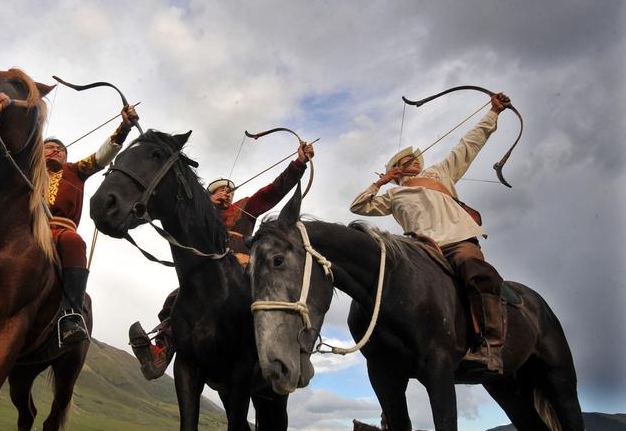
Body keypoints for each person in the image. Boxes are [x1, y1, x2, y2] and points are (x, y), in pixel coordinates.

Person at [0, 104, 139, 348]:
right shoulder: (26, 171)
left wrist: (124, 127)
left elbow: (101, 156)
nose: (56, 152)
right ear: (39, 152)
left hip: (58, 230)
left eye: (61, 150)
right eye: (50, 147)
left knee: (74, 242)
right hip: (20, 230)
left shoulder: (76, 170)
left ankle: (71, 315)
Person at [349, 93, 510, 373]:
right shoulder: (393, 194)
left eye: (413, 158)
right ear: (395, 172)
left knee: (476, 269)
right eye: (403, 161)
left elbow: (468, 144)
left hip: (457, 241)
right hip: (422, 248)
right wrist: (382, 182)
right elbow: (359, 206)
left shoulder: (440, 173)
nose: (411, 159)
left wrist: (493, 112)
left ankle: (490, 347)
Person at [129, 141, 316, 379]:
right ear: (207, 195)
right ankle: (161, 352)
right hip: (208, 279)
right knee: (176, 298)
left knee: (274, 301)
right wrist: (207, 208)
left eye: (229, 192)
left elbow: (272, 191)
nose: (226, 194)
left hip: (245, 274)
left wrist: (299, 163)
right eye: (219, 191)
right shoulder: (197, 216)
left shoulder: (244, 208)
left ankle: (293, 351)